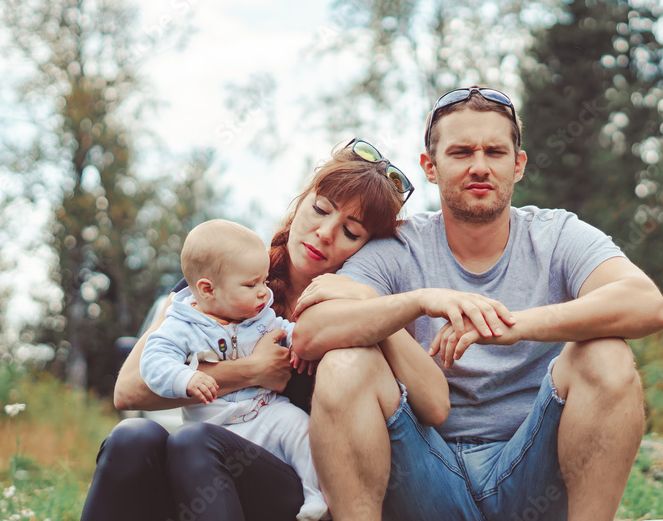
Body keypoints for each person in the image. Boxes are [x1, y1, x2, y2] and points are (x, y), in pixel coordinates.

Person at [292, 87, 663, 521]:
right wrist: (414, 302)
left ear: (518, 164)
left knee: (607, 354)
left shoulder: (557, 235)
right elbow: (310, 333)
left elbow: (646, 303)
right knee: (345, 363)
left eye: (494, 152)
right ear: (430, 168)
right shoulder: (396, 247)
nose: (479, 167)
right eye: (460, 152)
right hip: (421, 476)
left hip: (532, 475)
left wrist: (515, 324)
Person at [81, 140, 426, 521]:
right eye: (320, 209)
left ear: (366, 248)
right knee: (134, 438)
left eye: (351, 232)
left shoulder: (361, 310)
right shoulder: (226, 276)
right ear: (301, 203)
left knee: (196, 442)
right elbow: (128, 391)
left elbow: (431, 405)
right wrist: (252, 371)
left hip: (301, 491)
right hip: (203, 474)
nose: (325, 233)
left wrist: (383, 305)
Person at [139, 219, 328, 521]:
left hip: (266, 412)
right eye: (251, 285)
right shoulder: (182, 326)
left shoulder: (261, 318)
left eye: (264, 282)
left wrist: (304, 346)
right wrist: (185, 378)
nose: (263, 293)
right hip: (217, 428)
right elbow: (153, 362)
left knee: (301, 427)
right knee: (195, 451)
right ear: (207, 289)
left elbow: (290, 332)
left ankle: (317, 496)